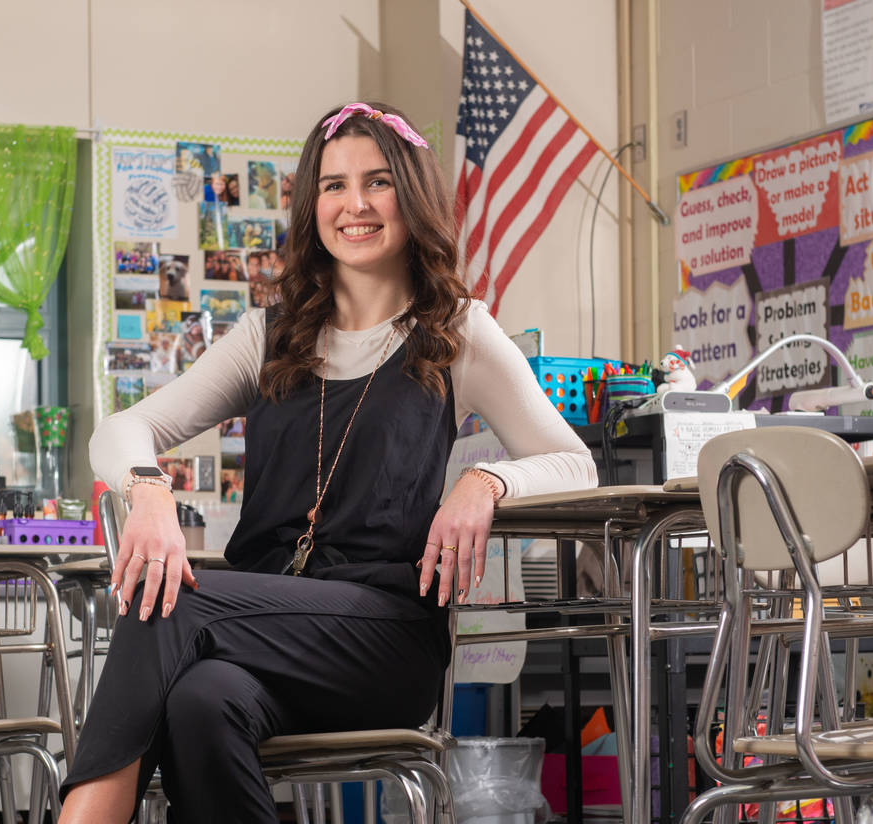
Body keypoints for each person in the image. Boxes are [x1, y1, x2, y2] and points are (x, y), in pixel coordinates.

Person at [59, 101, 596, 823]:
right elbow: (123, 430)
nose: (356, 205)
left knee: (171, 601)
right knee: (198, 701)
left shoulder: (457, 332)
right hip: (265, 635)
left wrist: (487, 479)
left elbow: (574, 464)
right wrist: (150, 492)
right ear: (313, 204)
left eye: (378, 182)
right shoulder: (268, 337)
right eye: (335, 185)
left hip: (384, 640)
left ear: (413, 194)